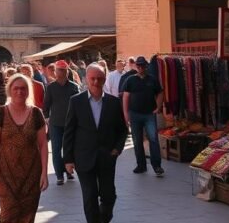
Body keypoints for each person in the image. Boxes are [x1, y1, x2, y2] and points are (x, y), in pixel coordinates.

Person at [63, 63, 128, 223]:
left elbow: (122, 129)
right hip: (84, 157)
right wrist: (68, 159)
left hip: (106, 156)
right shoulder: (76, 101)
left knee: (109, 195)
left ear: (105, 79)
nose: (96, 82)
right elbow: (69, 131)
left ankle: (104, 219)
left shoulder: (113, 102)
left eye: (99, 78)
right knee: (90, 195)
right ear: (86, 79)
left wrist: (117, 149)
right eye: (92, 78)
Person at [0, 74, 48, 223]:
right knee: (8, 213)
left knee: (28, 215)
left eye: (23, 88)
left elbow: (43, 144)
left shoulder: (36, 113)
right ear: (10, 90)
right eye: (16, 88)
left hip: (31, 173)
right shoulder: (1, 113)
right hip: (5, 173)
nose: (20, 92)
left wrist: (44, 172)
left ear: (28, 91)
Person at [121, 55, 164, 177]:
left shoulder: (152, 79)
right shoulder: (130, 80)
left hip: (149, 113)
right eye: (138, 65)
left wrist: (158, 107)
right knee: (137, 140)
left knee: (153, 139)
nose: (140, 68)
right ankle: (141, 165)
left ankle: (157, 166)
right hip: (134, 114)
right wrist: (125, 114)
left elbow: (160, 92)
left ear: (146, 66)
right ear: (136, 66)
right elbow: (126, 97)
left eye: (143, 65)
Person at [42, 59, 80, 185]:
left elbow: (80, 105)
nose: (61, 72)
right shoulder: (51, 87)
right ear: (56, 72)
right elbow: (46, 105)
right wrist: (46, 118)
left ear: (67, 71)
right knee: (56, 149)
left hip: (70, 123)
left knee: (69, 149)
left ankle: (69, 172)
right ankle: (59, 175)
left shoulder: (74, 87)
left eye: (63, 70)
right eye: (59, 70)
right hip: (55, 123)